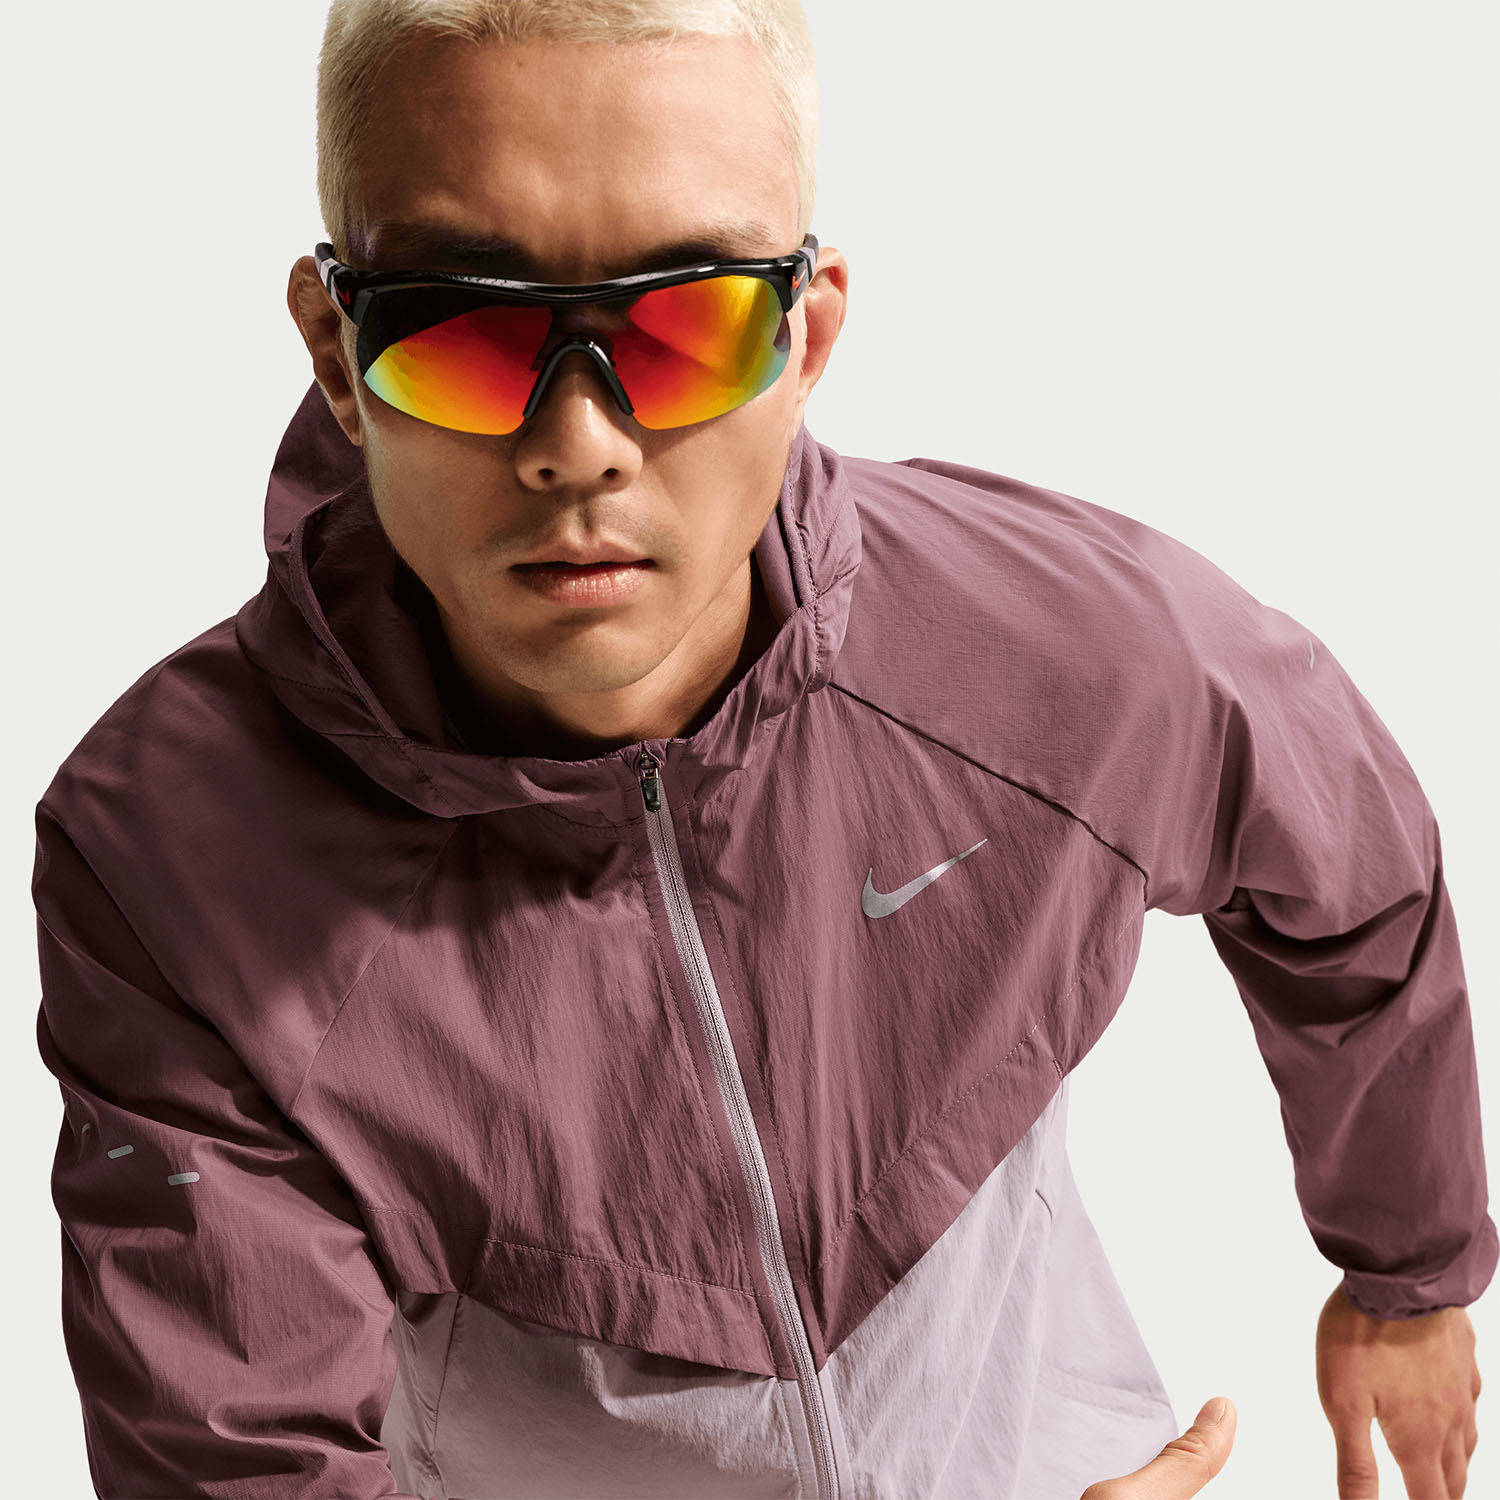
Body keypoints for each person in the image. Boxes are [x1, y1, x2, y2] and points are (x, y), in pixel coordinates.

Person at [31, 0, 1490, 1496]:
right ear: (339, 353)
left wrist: (1411, 1277)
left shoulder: (1058, 652)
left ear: (806, 337)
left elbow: (1345, 849)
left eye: (684, 324)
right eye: (465, 327)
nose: (580, 442)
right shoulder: (169, 866)